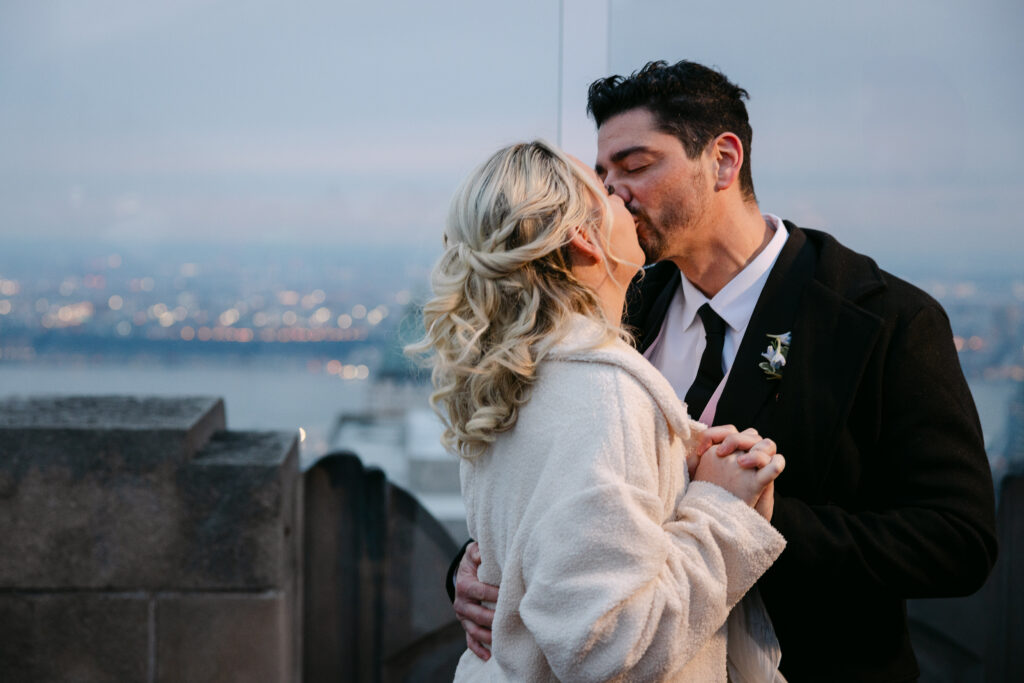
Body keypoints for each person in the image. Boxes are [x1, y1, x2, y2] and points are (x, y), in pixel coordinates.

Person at [451, 61, 999, 682]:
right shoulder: (611, 303)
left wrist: (763, 518)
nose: (615, 194)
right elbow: (564, 486)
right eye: (604, 176)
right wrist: (476, 568)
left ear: (723, 161)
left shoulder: (884, 319)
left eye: (636, 166)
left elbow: (959, 542)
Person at [411, 140, 789, 681]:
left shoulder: (510, 379)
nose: (623, 198)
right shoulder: (603, 395)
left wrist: (677, 476)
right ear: (583, 238)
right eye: (606, 191)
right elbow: (607, 649)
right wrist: (720, 510)